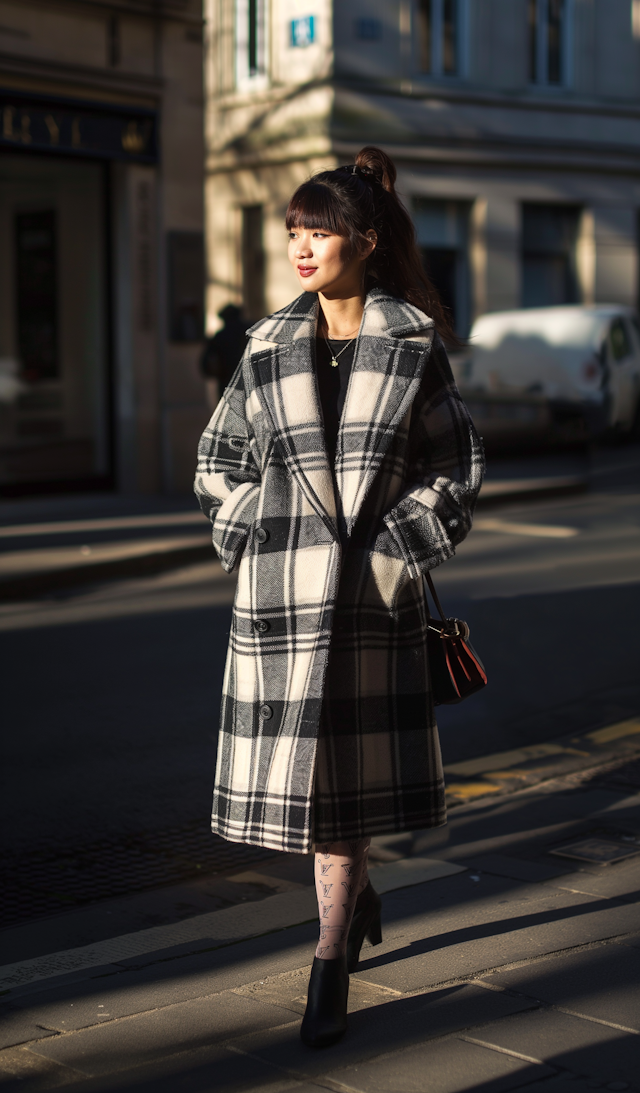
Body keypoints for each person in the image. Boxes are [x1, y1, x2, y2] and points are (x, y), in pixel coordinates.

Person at [194, 147, 485, 1048]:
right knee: (313, 792)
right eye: (294, 231)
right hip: (282, 600)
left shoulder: (410, 345)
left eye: (318, 231)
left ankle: (327, 960)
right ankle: (352, 904)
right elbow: (218, 460)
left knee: (346, 789)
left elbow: (456, 463)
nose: (300, 247)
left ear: (365, 240)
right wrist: (255, 533)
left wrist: (399, 547)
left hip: (369, 601)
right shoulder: (266, 346)